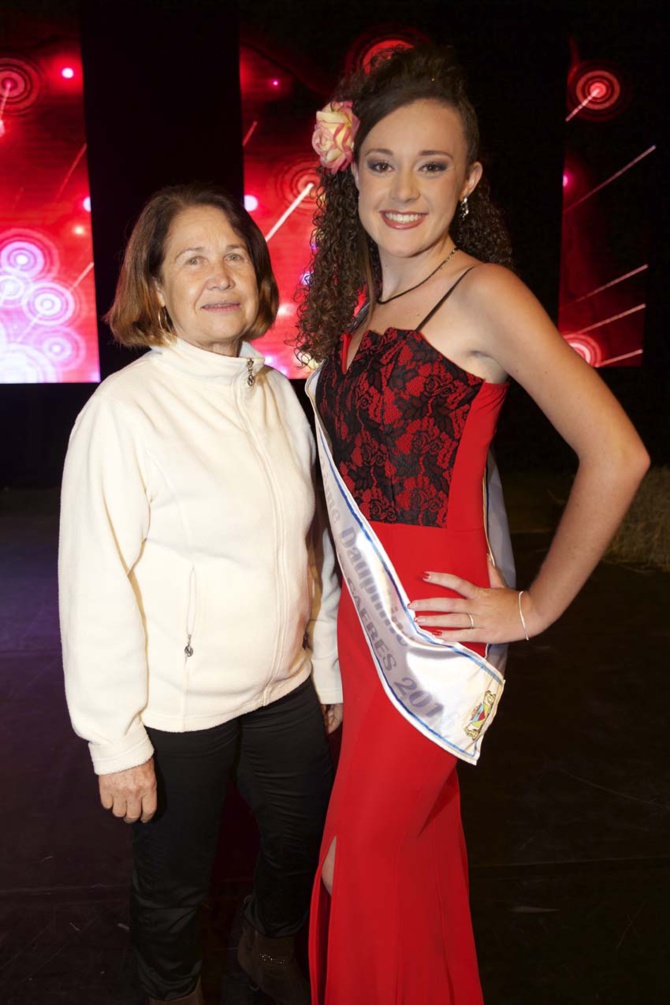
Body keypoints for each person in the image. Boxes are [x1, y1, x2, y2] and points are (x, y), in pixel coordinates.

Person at [297, 46, 649, 1004]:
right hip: (364, 638)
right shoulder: (363, 312)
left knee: (354, 867)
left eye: (433, 164)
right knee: (403, 865)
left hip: (435, 640)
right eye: (380, 163)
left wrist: (532, 607)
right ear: (350, 174)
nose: (403, 189)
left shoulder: (484, 294)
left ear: (471, 180)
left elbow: (617, 454)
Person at [59, 183, 343, 1005]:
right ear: (155, 289)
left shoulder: (278, 392)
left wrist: (324, 667)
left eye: (233, 254)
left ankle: (263, 944)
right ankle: (171, 991)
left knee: (299, 838)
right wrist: (116, 741)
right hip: (179, 708)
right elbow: (95, 583)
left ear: (257, 276)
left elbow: (312, 543)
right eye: (191, 258)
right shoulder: (123, 413)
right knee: (174, 887)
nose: (219, 273)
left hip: (283, 687)